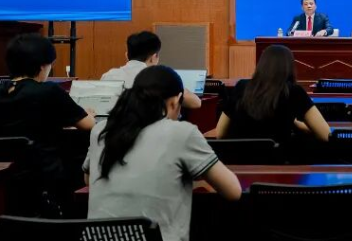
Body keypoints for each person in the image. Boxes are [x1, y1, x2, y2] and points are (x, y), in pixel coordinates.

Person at [85, 66, 241, 241]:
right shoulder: (181, 133)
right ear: (175, 101)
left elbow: (88, 179)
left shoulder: (101, 130)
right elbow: (233, 191)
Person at [0, 34, 95, 213]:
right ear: (43, 66)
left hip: (3, 179)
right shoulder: (49, 91)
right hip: (46, 176)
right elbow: (89, 125)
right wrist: (88, 114)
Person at [215, 45, 330, 144]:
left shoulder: (241, 86)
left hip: (239, 160)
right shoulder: (295, 91)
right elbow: (326, 135)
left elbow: (219, 133)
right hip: (279, 161)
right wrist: (295, 123)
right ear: (289, 67)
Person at [101, 31, 201, 109]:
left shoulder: (108, 75)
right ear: (154, 57)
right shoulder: (160, 78)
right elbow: (196, 103)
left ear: (127, 55)